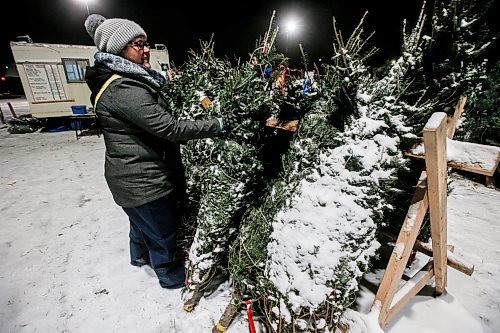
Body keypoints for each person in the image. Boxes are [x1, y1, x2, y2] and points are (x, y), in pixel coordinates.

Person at [83, 14, 241, 289]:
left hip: (129, 178)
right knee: (161, 230)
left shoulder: (119, 80)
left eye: (145, 43)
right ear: (117, 50)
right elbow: (169, 128)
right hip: (143, 180)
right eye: (137, 44)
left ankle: (139, 258)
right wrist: (217, 124)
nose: (146, 51)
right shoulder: (122, 88)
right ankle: (170, 275)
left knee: (140, 222)